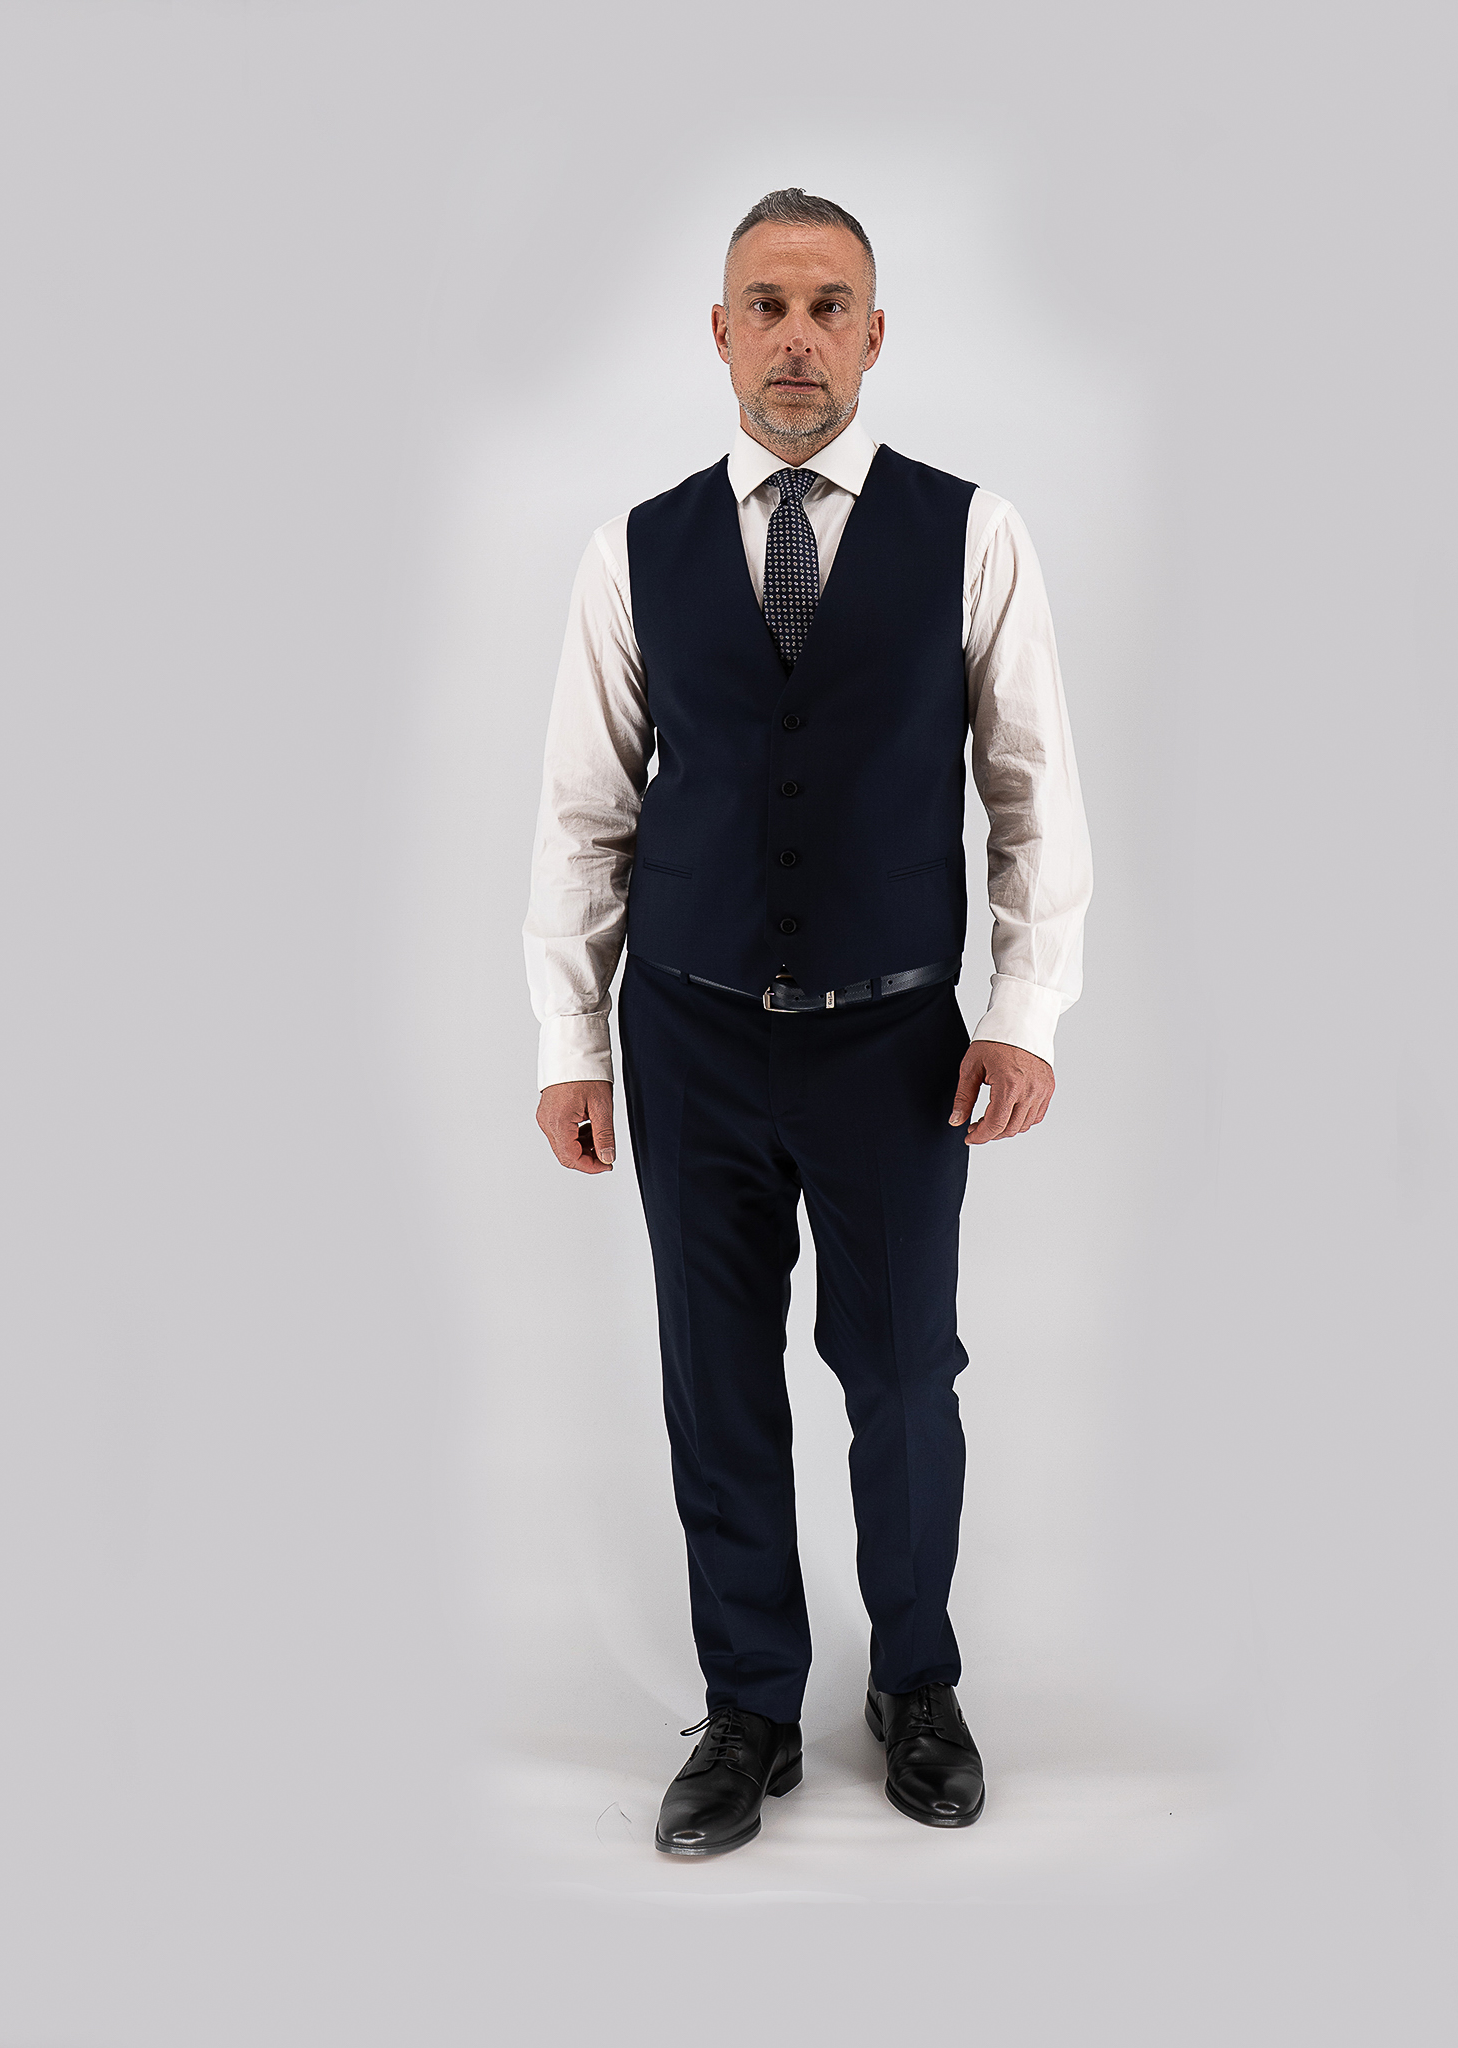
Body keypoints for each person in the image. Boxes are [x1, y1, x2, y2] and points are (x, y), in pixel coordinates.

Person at [523, 188, 1093, 1857]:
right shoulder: (635, 550)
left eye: (828, 305)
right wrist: (571, 1042)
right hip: (689, 1034)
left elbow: (1034, 787)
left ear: (874, 334)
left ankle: (915, 1681)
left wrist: (1028, 1009)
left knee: (904, 1375)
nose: (796, 338)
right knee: (717, 1379)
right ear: (720, 335)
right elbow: (583, 813)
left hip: (896, 1045)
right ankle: (750, 1707)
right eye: (764, 306)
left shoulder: (971, 533)